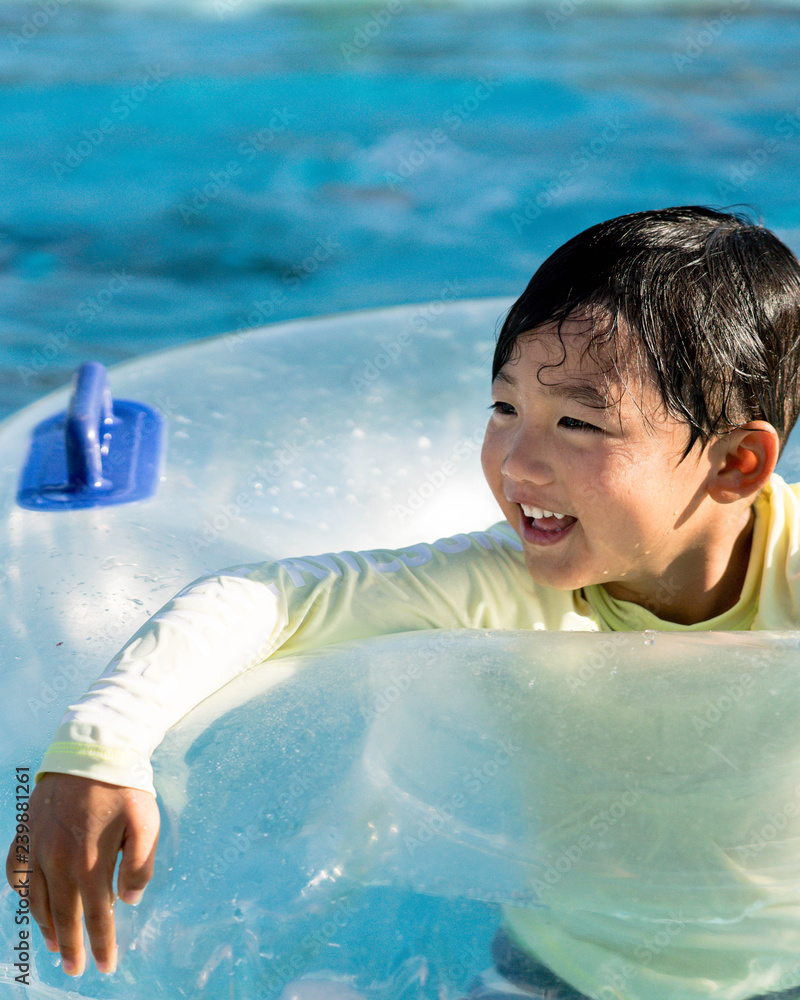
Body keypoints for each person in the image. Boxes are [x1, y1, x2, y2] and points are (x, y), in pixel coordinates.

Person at [8, 205, 800, 999]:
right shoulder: (504, 581)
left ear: (735, 462)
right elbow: (271, 602)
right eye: (504, 409)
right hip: (565, 967)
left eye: (577, 422)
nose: (519, 463)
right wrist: (99, 746)